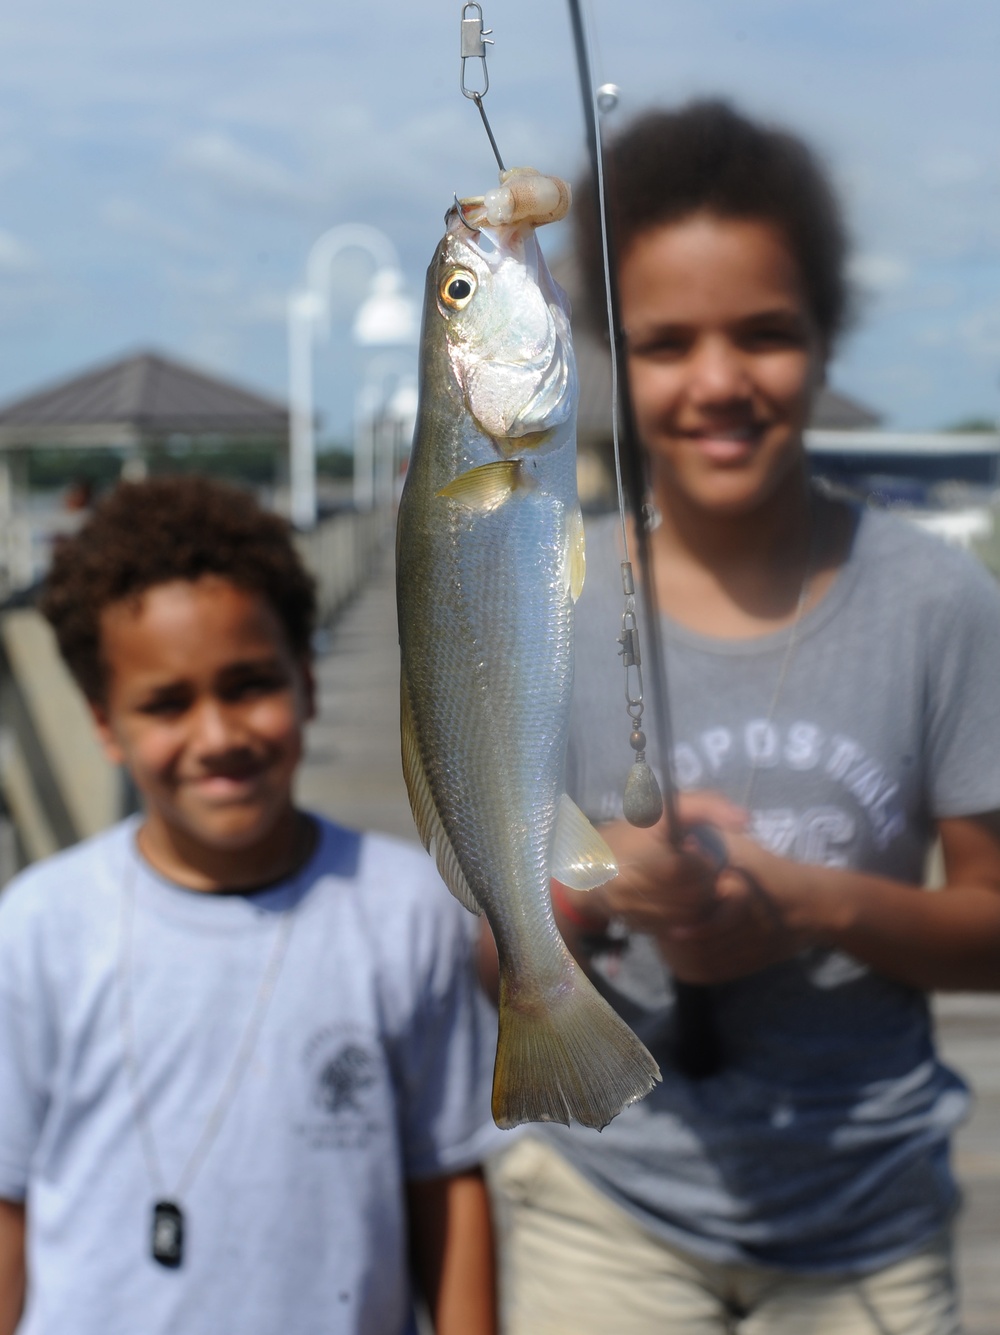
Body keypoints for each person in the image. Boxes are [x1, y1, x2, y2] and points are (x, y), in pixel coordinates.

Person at [488, 100, 1000, 1335]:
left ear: (826, 343)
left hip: (865, 1219)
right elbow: (480, 929)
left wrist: (804, 905)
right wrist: (604, 885)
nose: (718, 382)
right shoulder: (534, 597)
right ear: (611, 353)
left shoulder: (940, 600)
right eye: (666, 344)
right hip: (607, 1214)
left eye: (765, 334)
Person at [0, 476, 501, 1335]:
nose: (219, 735)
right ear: (105, 724)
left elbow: (448, 1179)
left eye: (249, 684)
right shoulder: (38, 924)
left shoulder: (407, 909)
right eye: (166, 703)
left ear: (307, 681)